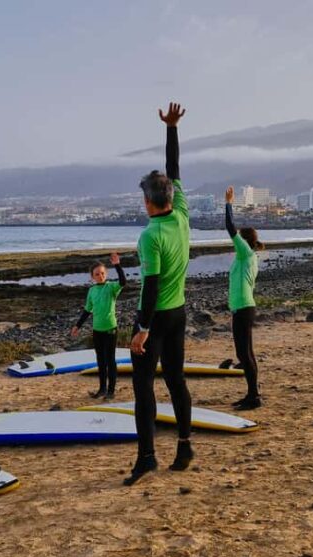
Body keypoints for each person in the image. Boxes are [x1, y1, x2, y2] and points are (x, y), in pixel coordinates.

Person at [125, 102, 194, 486]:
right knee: (176, 380)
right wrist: (171, 129)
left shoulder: (150, 235)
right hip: (179, 312)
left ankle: (147, 457)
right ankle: (184, 444)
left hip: (155, 316)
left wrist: (142, 328)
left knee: (143, 387)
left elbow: (150, 285)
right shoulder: (182, 214)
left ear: (149, 201)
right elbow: (175, 170)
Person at [224, 186, 265, 410]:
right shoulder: (247, 257)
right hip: (243, 308)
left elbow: (230, 227)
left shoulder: (245, 253)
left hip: (244, 308)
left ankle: (253, 396)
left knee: (244, 353)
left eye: (239, 238)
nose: (235, 241)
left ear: (244, 240)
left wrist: (229, 203)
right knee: (246, 352)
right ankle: (253, 393)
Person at [71, 252, 127, 399]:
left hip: (110, 329)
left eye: (102, 273)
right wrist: (78, 326)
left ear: (106, 274)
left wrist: (117, 265)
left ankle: (111, 391)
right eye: (97, 274)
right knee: (100, 361)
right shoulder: (91, 291)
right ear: (92, 277)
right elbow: (87, 310)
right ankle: (102, 389)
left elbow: (123, 282)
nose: (100, 276)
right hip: (97, 330)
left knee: (110, 360)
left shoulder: (112, 288)